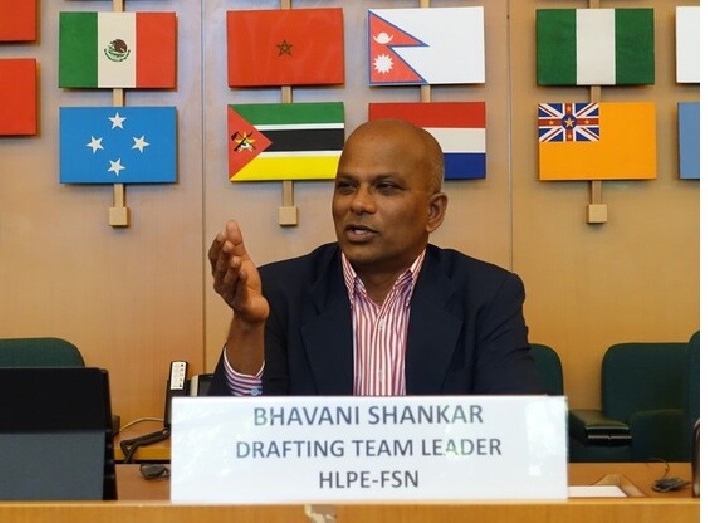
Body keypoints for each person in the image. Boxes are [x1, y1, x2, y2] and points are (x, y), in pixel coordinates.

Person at [207, 118, 542, 396]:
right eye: (346, 186)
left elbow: (517, 427)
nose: (359, 203)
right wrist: (248, 326)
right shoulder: (280, 292)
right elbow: (235, 434)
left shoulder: (487, 296)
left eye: (386, 187)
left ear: (433, 212)